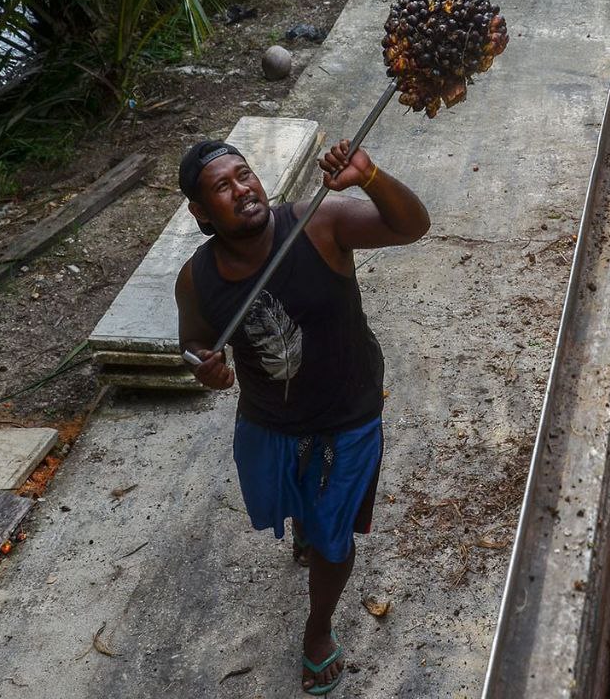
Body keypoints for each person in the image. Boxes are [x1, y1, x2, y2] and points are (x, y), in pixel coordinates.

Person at [174, 138, 430, 695]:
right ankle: (304, 527)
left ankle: (317, 631)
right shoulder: (197, 279)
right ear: (199, 213)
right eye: (223, 186)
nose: (243, 188)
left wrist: (372, 176)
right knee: (294, 507)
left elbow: (413, 226)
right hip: (269, 424)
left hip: (349, 415)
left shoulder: (320, 223)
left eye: (245, 175)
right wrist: (204, 367)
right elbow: (192, 341)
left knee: (332, 537)